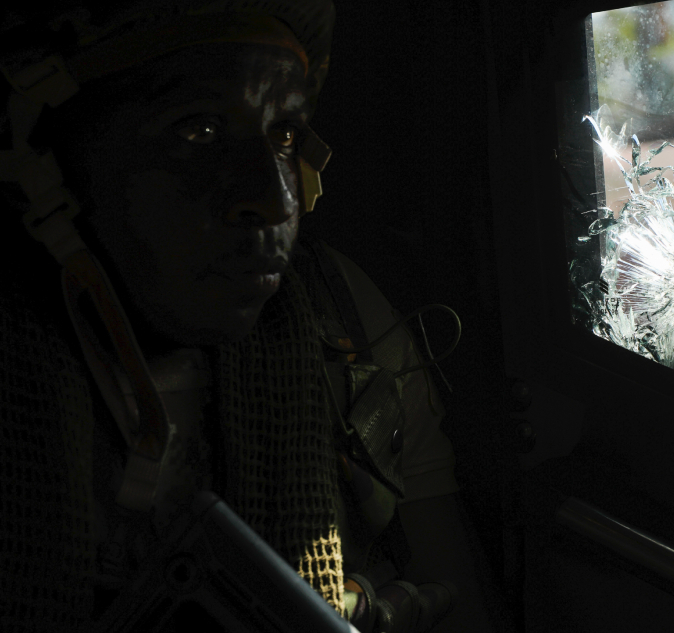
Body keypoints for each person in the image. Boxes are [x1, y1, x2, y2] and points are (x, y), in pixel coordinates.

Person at [0, 1, 495, 631]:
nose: (274, 196)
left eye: (285, 135)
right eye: (197, 131)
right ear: (47, 159)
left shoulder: (338, 317)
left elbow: (460, 597)